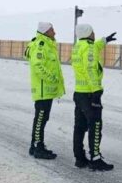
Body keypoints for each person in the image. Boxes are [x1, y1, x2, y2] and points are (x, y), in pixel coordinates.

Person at [71, 23, 117, 171]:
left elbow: (95, 47)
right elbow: (90, 69)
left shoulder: (79, 46)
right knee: (95, 125)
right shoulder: (89, 48)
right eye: (93, 31)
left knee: (79, 127)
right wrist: (97, 92)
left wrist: (105, 40)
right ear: (88, 33)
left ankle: (79, 158)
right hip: (90, 93)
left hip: (79, 92)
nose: (94, 33)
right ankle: (95, 159)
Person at [24, 21, 65, 159]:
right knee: (41, 118)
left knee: (43, 118)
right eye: (52, 30)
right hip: (42, 90)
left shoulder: (47, 44)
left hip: (46, 90)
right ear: (46, 31)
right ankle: (37, 147)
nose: (55, 32)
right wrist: (51, 78)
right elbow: (38, 66)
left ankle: (35, 145)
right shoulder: (40, 45)